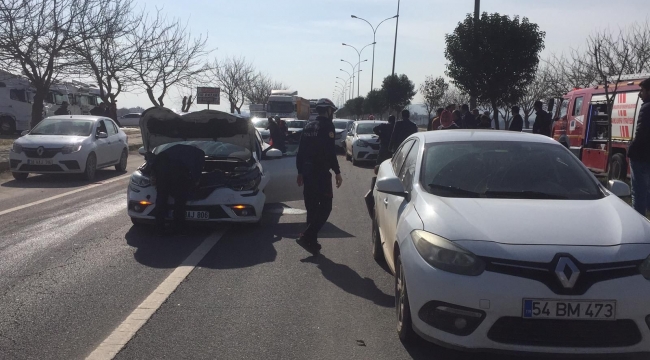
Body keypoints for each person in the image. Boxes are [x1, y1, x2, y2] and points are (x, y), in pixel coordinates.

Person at [296, 98, 343, 255]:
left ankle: (312, 242)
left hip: (308, 172)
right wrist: (337, 172)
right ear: (328, 110)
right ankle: (307, 236)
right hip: (320, 173)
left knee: (312, 208)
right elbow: (330, 152)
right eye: (332, 111)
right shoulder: (327, 126)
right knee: (326, 207)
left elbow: (300, 150)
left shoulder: (308, 125)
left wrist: (300, 171)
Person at [150, 144, 205, 235]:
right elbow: (197, 169)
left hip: (161, 166)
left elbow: (155, 162)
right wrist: (196, 181)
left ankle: (159, 226)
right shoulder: (200, 154)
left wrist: (153, 175)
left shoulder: (179, 149)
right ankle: (178, 226)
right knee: (180, 199)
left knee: (162, 197)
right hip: (175, 171)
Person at [628, 77, 650, 216]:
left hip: (641, 156)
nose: (639, 94)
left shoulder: (647, 108)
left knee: (638, 191)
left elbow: (641, 133)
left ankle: (639, 222)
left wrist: (631, 148)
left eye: (642, 90)